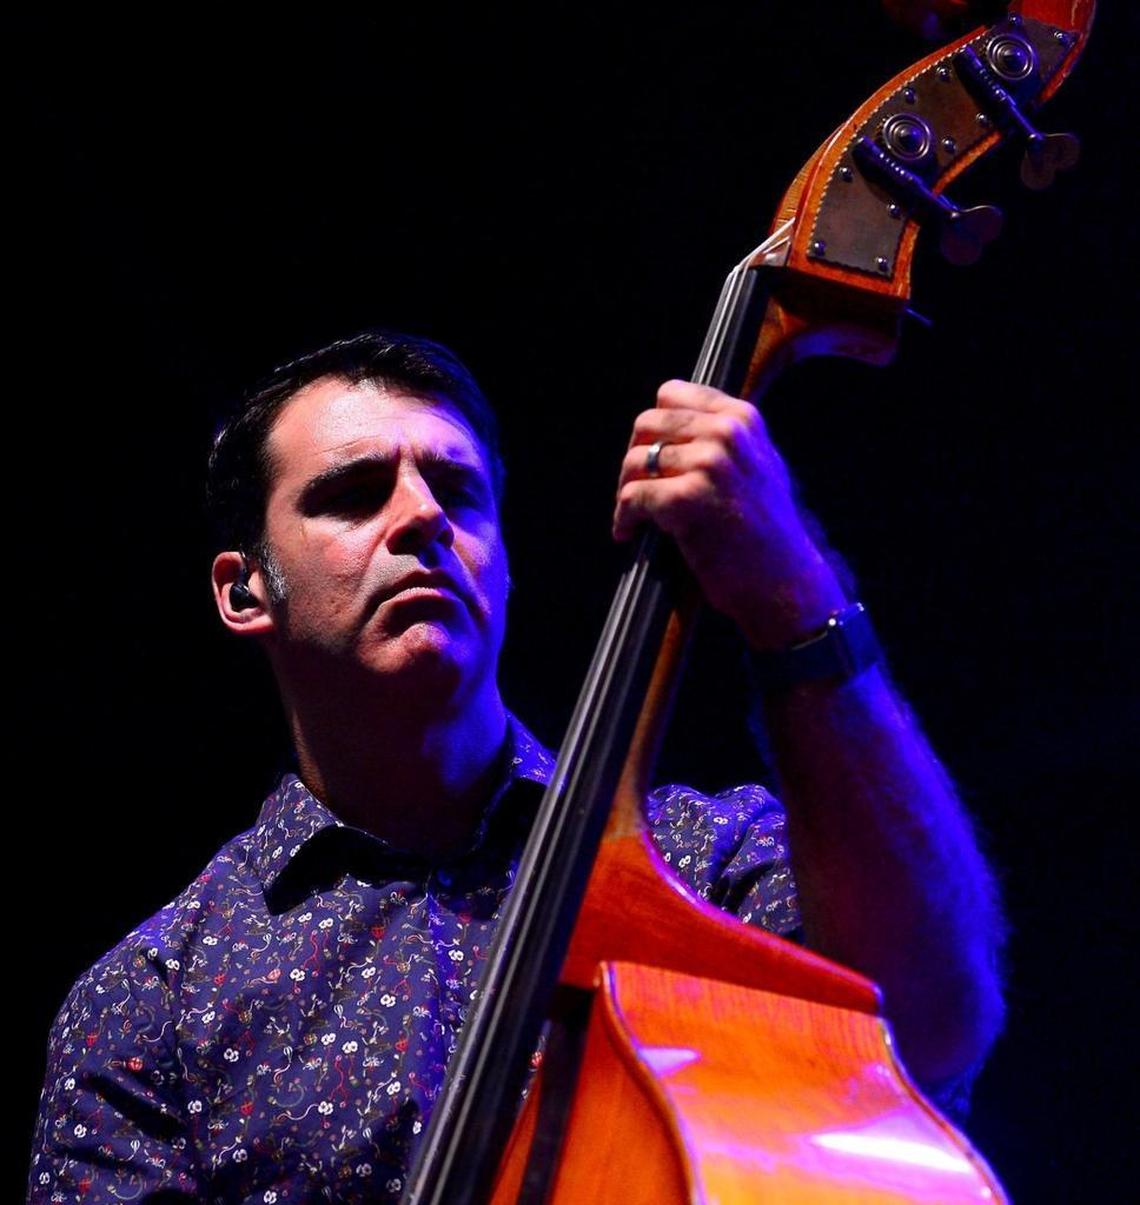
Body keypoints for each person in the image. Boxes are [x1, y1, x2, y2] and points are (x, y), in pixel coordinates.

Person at [28, 330, 1005, 1202]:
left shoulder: (702, 864)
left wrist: (792, 587)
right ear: (246, 591)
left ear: (502, 562)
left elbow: (931, 1027)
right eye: (354, 493)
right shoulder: (152, 1000)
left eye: (458, 491)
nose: (421, 517)